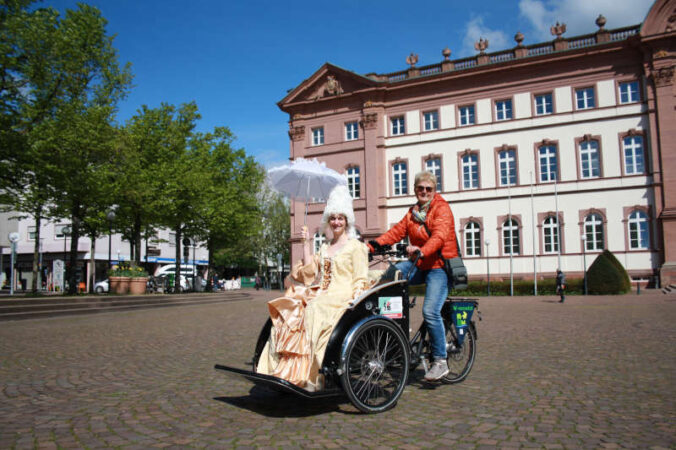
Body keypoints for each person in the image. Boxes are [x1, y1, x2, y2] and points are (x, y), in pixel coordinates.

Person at [257, 185, 369, 391]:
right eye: (333, 218)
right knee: (292, 307)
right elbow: (309, 272)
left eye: (340, 218)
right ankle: (283, 369)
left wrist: (355, 300)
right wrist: (306, 242)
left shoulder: (356, 247)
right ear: (329, 220)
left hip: (341, 295)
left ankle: (306, 374)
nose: (336, 222)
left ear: (347, 221)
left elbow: (361, 278)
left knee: (313, 310)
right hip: (321, 292)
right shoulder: (325, 247)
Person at [367, 171, 458, 381]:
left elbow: (440, 236)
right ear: (415, 190)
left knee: (430, 311)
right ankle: (398, 325)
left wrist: (421, 250)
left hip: (438, 267)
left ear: (434, 191)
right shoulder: (413, 213)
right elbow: (396, 232)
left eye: (429, 189)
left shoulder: (442, 209)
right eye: (420, 188)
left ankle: (440, 361)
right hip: (420, 263)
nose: (424, 192)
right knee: (392, 274)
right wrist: (372, 247)